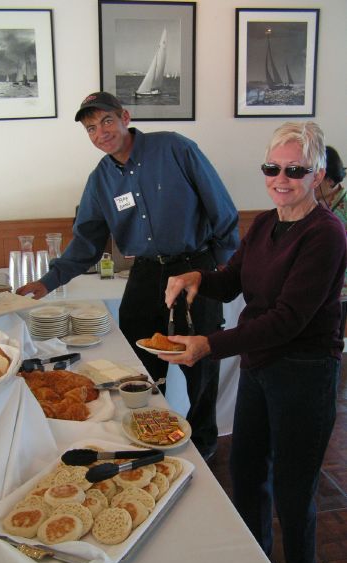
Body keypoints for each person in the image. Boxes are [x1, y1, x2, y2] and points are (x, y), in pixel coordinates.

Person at [159, 122, 346, 563]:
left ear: (318, 172)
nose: (280, 178)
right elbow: (233, 279)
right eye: (272, 167)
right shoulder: (266, 222)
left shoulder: (326, 234)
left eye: (295, 169)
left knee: (293, 487)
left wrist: (209, 345)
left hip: (304, 373)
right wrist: (198, 276)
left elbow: (287, 320)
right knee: (246, 473)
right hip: (260, 368)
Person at [17, 91, 240, 460]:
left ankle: (203, 447)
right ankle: (153, 437)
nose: (100, 132)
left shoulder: (174, 149)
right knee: (139, 365)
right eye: (91, 128)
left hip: (194, 268)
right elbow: (86, 239)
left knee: (199, 364)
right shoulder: (101, 179)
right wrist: (46, 282)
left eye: (106, 121)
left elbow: (223, 211)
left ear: (125, 116)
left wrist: (215, 265)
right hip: (146, 273)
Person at [315, 145, 347, 338]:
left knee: (331, 338)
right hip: (321, 286)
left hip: (339, 289)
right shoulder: (318, 206)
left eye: (316, 179)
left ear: (329, 180)